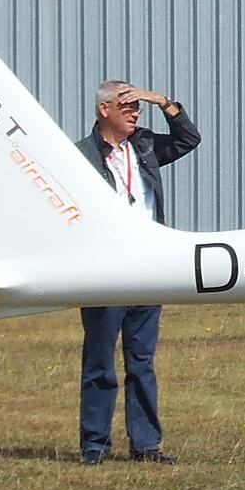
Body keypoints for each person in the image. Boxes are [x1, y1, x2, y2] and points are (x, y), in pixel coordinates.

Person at [74, 81, 201, 465]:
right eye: (125, 106)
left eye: (137, 108)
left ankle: (146, 445)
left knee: (141, 360)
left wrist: (160, 101)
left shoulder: (143, 146)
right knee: (99, 360)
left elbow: (188, 139)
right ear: (103, 110)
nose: (133, 113)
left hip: (148, 266)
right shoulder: (80, 157)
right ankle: (95, 445)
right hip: (105, 269)